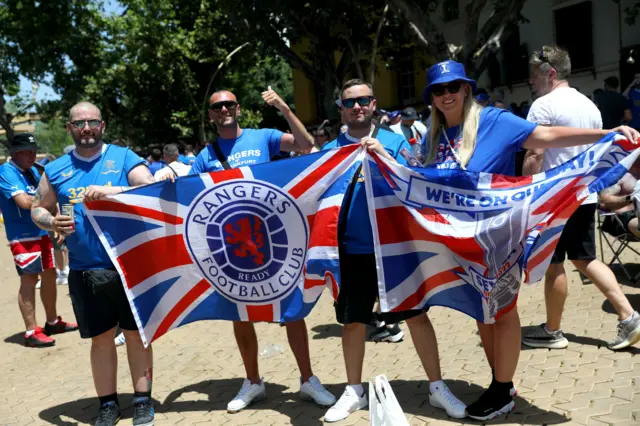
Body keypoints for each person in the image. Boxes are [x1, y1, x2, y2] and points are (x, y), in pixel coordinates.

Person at [421, 59, 639, 420]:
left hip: (500, 238)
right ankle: (499, 380)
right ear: (432, 97)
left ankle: (502, 391)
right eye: (438, 90)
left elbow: (547, 136)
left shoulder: (494, 120)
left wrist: (607, 133)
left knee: (502, 312)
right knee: (483, 314)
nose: (446, 95)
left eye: (452, 87)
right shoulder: (435, 137)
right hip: (462, 245)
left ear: (465, 89)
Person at [323, 79, 466, 423]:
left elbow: (416, 183)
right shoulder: (330, 150)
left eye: (363, 100)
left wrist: (385, 156)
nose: (357, 106)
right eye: (350, 101)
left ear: (374, 104)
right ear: (341, 109)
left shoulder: (395, 140)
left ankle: (437, 387)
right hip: (352, 251)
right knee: (353, 322)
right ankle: (353, 390)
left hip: (396, 248)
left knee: (416, 315)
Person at [184, 88, 335, 413]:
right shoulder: (205, 155)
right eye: (217, 106)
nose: (223, 109)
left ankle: (308, 379)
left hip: (275, 240)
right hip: (231, 247)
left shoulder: (263, 137)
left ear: (238, 108)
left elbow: (307, 146)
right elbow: (187, 193)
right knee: (240, 314)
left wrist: (283, 107)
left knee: (291, 310)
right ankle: (253, 381)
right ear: (211, 115)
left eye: (228, 104)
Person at [31, 102, 157, 426]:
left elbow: (151, 189)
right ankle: (108, 405)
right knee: (101, 340)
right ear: (70, 128)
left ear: (102, 125)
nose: (86, 128)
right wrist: (50, 221)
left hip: (131, 266)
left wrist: (112, 190)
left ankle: (142, 401)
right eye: (79, 123)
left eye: (92, 122)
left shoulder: (124, 158)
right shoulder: (56, 168)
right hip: (86, 271)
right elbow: (36, 207)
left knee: (135, 336)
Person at [521, 46, 640, 352]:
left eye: (534, 75)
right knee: (584, 258)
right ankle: (628, 317)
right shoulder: (589, 106)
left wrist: (526, 190)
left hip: (553, 198)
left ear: (549, 73)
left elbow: (536, 153)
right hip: (582, 196)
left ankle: (553, 330)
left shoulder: (542, 106)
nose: (531, 81)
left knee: (555, 263)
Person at [0, 133, 77, 347]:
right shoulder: (6, 171)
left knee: (50, 275)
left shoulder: (35, 170)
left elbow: (56, 195)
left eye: (34, 151)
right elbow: (25, 201)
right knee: (29, 280)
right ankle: (31, 331)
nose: (33, 156)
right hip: (23, 236)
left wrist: (60, 218)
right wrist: (51, 205)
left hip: (43, 232)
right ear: (15, 153)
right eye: (27, 152)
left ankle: (52, 322)